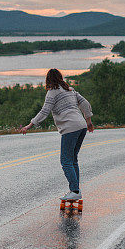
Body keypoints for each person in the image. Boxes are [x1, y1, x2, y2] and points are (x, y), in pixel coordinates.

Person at [19, 68, 94, 201]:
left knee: (65, 161)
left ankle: (75, 190)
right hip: (81, 126)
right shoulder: (70, 90)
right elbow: (85, 103)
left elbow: (44, 111)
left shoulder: (52, 93)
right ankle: (75, 189)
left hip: (70, 128)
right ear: (60, 77)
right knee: (73, 159)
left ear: (48, 80)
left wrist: (30, 125)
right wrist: (88, 122)